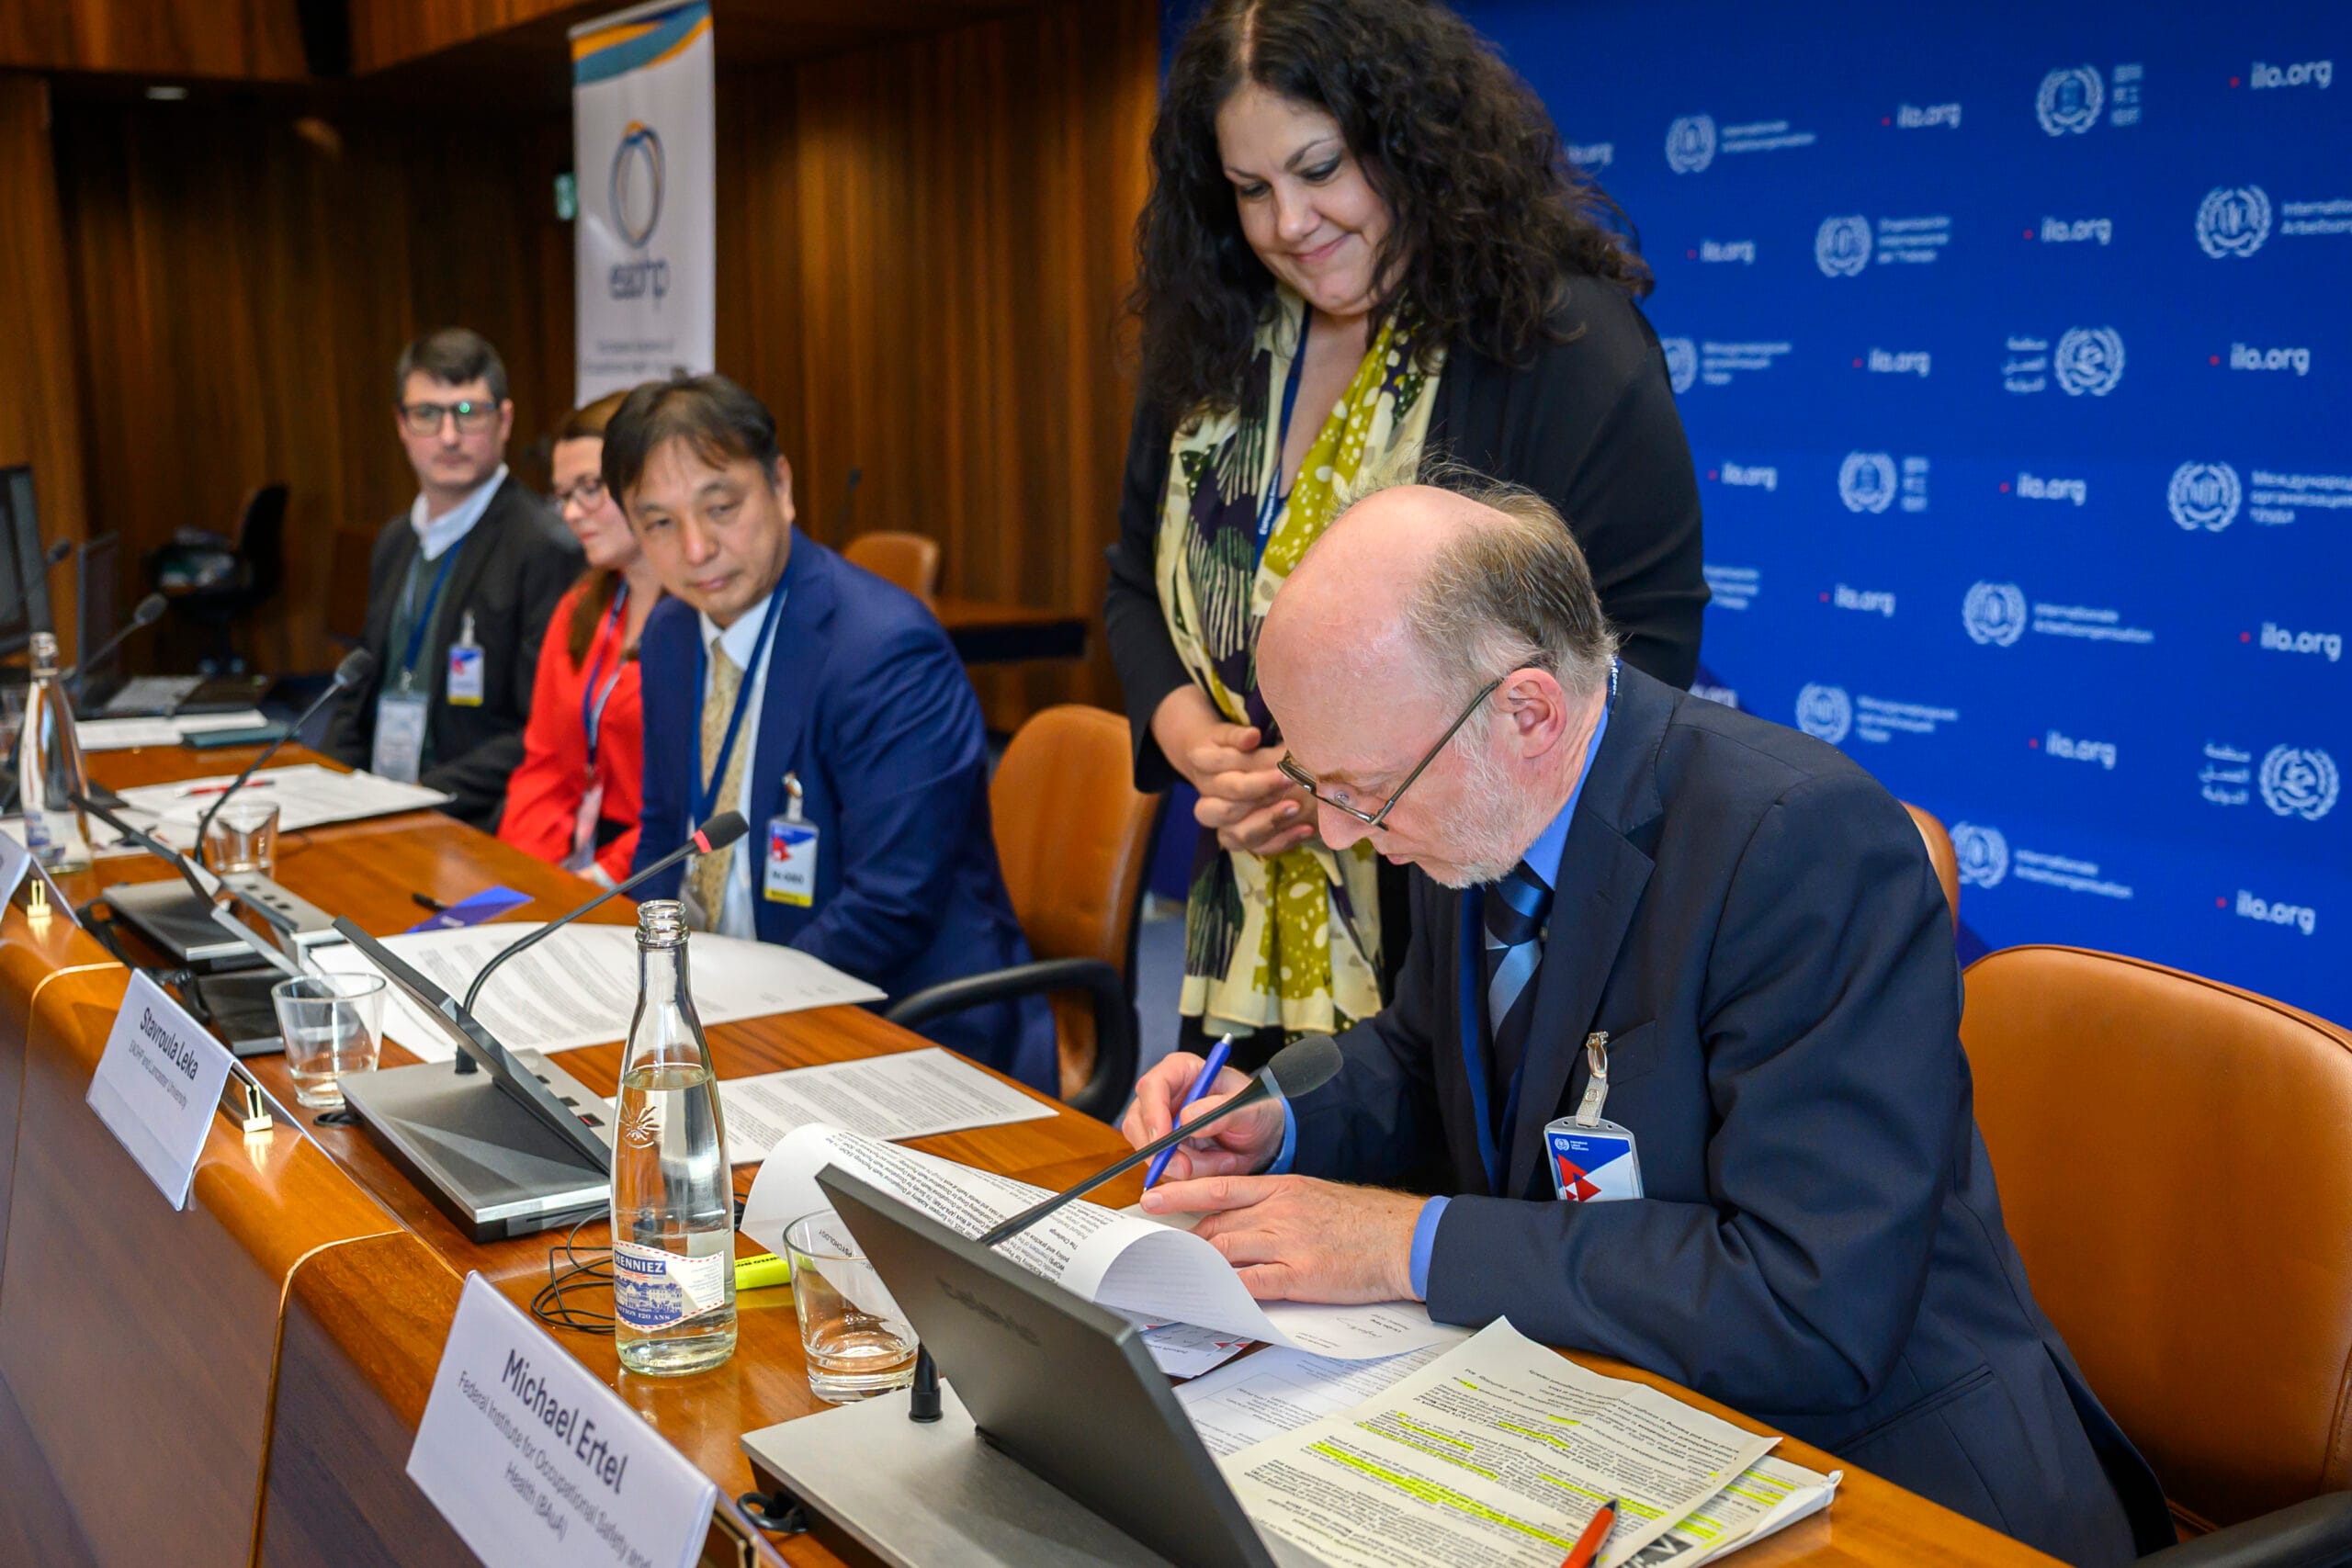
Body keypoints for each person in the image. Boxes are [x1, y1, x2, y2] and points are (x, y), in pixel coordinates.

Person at [1122, 481, 2174, 1564]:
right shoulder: (1466, 791)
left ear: (1527, 712)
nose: (1343, 834)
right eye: (1321, 784)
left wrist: (1407, 1244)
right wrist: (1276, 1118)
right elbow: (1437, 1054)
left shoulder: (1799, 845)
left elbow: (1806, 1304)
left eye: (1365, 791)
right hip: (1615, 1413)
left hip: (1890, 1482)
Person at [1103, 0, 1709, 1073]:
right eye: (1251, 189)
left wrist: (1360, 786)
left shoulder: (1557, 339)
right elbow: (1133, 586)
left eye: (1320, 168)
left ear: (1410, 141)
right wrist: (1201, 748)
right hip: (1245, 919)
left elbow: (1635, 655)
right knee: (1246, 1166)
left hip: (1473, 932)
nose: (1290, 222)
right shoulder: (1215, 345)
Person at [610, 374, 1055, 1092]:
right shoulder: (670, 635)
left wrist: (732, 1017)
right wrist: (652, 989)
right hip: (732, 1010)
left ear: (781, 486)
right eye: (659, 523)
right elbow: (667, 834)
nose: (695, 548)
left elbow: (889, 905)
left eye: (721, 507)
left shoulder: (884, 650)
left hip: (901, 1023)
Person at [325, 328, 581, 829]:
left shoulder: (545, 547)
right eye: (427, 413)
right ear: (401, 424)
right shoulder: (395, 540)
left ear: (504, 421)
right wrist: (332, 783)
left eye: (469, 412)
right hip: (378, 803)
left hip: (471, 817)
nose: (448, 436)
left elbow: (540, 730)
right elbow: (357, 691)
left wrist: (417, 798)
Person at [498, 391, 663, 886]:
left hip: (653, 870)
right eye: (563, 495)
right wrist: (524, 878)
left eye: (591, 488)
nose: (571, 513)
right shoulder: (579, 607)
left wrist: (595, 882)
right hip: (570, 856)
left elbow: (694, 805)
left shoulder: (702, 623)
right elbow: (545, 766)